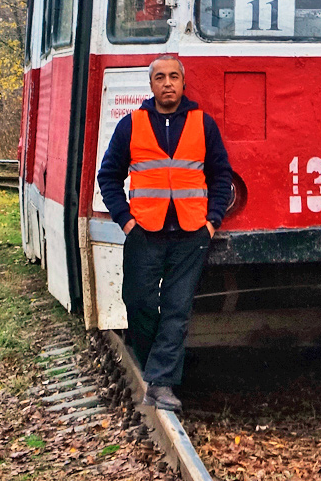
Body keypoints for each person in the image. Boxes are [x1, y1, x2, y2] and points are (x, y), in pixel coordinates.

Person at [97, 54, 232, 412]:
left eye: (174, 76)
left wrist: (211, 221)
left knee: (176, 308)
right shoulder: (132, 125)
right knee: (138, 302)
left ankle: (161, 383)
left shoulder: (204, 125)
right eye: (160, 77)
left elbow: (221, 177)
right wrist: (126, 220)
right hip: (144, 231)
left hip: (191, 232)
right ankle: (156, 372)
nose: (168, 83)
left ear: (183, 83)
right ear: (151, 84)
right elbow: (108, 176)